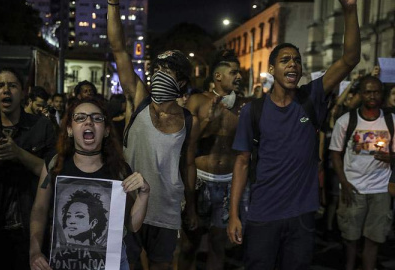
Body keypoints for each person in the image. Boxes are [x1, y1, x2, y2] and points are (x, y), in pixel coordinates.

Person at [227, 0, 361, 269]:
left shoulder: (311, 96)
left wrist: (349, 10)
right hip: (263, 214)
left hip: (302, 215)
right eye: (285, 60)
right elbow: (242, 162)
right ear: (273, 70)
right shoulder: (253, 111)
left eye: (297, 61)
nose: (293, 64)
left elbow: (350, 59)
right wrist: (233, 215)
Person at [108, 2, 198, 269]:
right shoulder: (139, 100)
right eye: (157, 69)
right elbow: (119, 49)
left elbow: (188, 165)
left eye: (167, 70)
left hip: (166, 211)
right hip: (130, 205)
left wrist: (190, 208)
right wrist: (113, 5)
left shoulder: (189, 121)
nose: (159, 74)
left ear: (181, 81)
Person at [29, 98, 150, 270]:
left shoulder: (119, 170)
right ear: (70, 130)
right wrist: (34, 251)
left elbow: (132, 224)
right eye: (80, 117)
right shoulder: (55, 164)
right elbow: (39, 209)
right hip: (63, 261)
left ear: (106, 130)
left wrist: (144, 194)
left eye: (97, 118)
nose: (89, 121)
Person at [178, 50, 253, 270]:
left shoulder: (243, 106)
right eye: (233, 72)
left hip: (228, 183)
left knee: (217, 245)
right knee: (188, 246)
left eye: (239, 72)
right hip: (199, 182)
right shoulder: (197, 101)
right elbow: (184, 144)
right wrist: (206, 121)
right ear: (218, 76)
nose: (238, 76)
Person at [0, 68, 56, 270]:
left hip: (29, 231)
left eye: (12, 86)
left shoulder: (42, 126)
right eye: (0, 86)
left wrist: (19, 154)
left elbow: (52, 175)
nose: (6, 91)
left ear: (23, 93)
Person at [330, 75, 394, 270]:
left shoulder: (391, 121)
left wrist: (391, 159)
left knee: (373, 239)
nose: (372, 96)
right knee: (350, 238)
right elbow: (335, 154)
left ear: (381, 94)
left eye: (375, 91)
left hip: (380, 190)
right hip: (353, 188)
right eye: (367, 91)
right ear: (360, 94)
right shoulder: (346, 121)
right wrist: (344, 183)